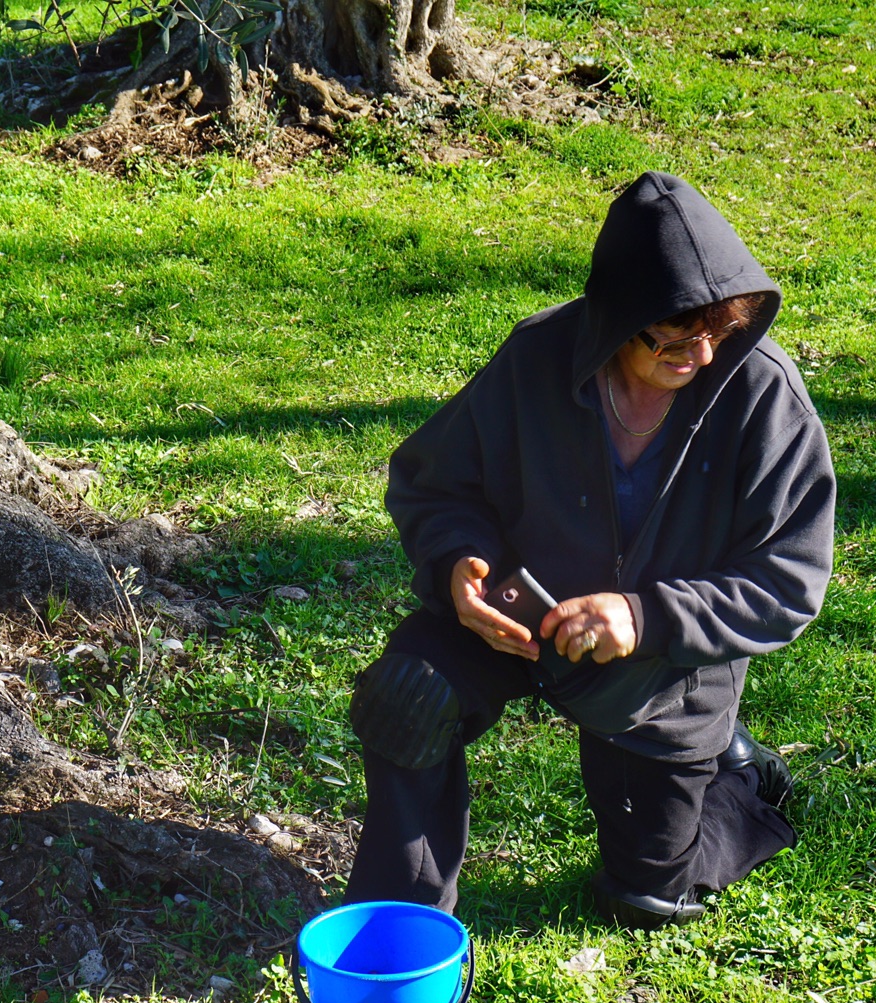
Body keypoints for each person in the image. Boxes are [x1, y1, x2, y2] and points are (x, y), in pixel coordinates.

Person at [341, 171, 835, 928]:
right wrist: (459, 564)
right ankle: (400, 928)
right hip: (518, 620)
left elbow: (788, 580)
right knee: (410, 696)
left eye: (718, 333)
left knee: (645, 899)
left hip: (660, 671)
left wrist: (646, 618)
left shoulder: (763, 394)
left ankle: (739, 777)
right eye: (671, 339)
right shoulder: (539, 356)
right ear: (614, 323)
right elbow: (433, 484)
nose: (700, 357)